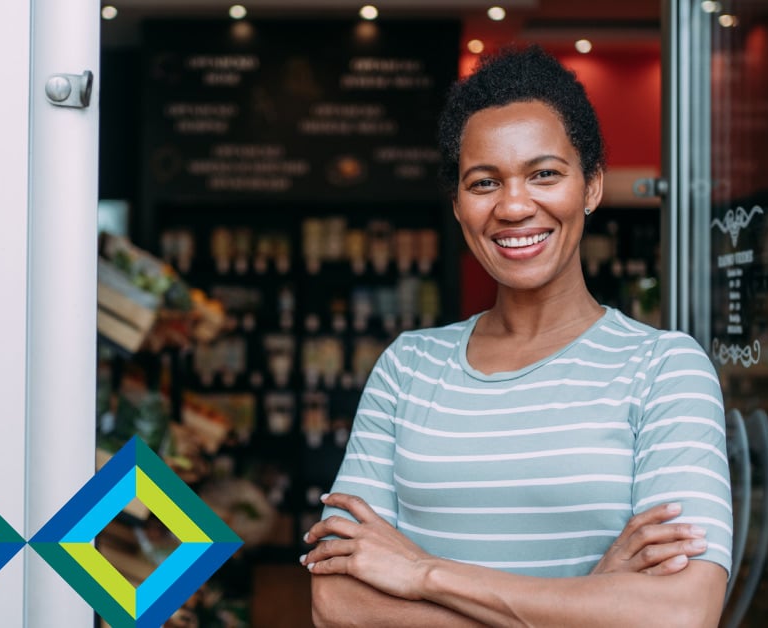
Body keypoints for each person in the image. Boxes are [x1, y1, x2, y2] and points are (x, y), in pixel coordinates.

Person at [302, 46, 732, 627]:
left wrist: (424, 573)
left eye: (544, 174)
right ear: (457, 204)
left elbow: (680, 614)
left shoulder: (663, 369)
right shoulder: (408, 367)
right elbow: (337, 603)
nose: (513, 205)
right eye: (484, 182)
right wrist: (590, 601)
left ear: (592, 186)